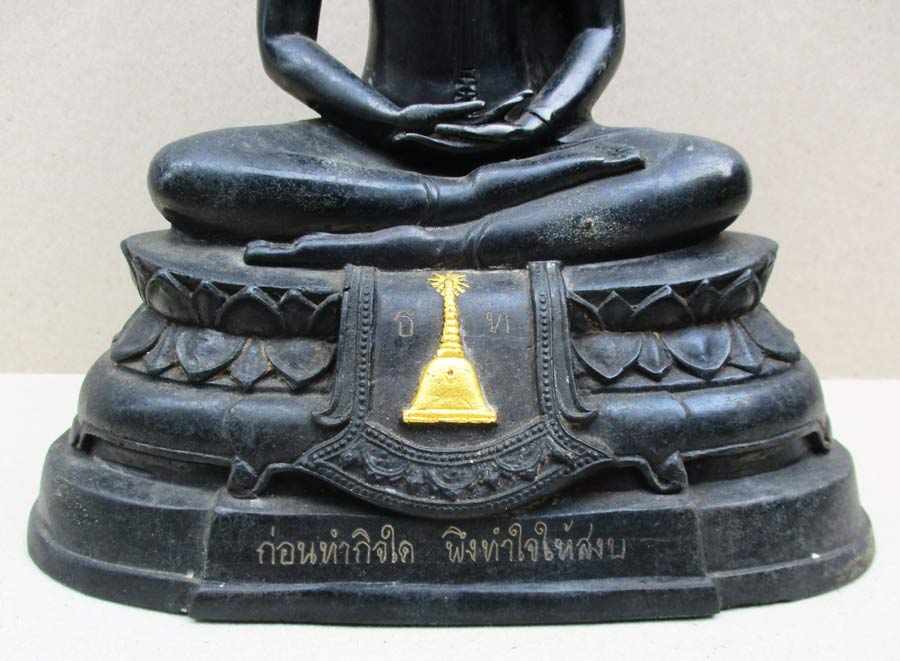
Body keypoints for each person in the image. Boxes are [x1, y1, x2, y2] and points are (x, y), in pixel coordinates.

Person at [149, 0, 750, 268]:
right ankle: (464, 205)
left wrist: (538, 121)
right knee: (186, 172)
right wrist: (384, 119)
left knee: (711, 173)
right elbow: (284, 39)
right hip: (375, 148)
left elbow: (599, 29)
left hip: (548, 145)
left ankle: (453, 240)